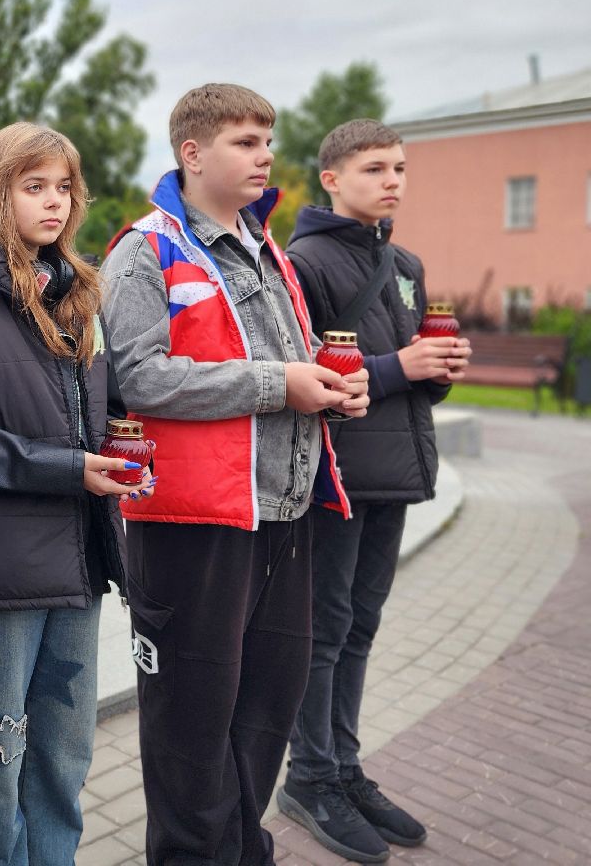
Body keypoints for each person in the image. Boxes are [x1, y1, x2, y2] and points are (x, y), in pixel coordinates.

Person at [98, 83, 371, 866]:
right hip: (194, 527)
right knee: (192, 729)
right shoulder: (145, 251)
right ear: (192, 153)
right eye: (245, 142)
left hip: (282, 515)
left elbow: (296, 362)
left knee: (265, 715)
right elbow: (140, 378)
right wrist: (278, 382)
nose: (265, 156)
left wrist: (330, 385)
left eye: (268, 141)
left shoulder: (267, 248)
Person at [0, 123, 153, 866]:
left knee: (61, 763)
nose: (55, 203)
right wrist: (68, 467)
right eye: (34, 186)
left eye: (64, 188)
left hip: (79, 563)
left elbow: (93, 411)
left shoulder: (80, 293)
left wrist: (117, 449)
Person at [277, 119, 472, 862]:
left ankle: (346, 769)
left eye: (398, 167)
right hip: (336, 479)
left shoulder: (405, 261)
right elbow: (312, 380)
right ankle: (309, 777)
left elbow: (412, 380)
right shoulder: (303, 264)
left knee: (360, 627)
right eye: (372, 168)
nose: (391, 179)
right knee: (324, 634)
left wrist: (437, 369)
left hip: (392, 477)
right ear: (331, 178)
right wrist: (404, 366)